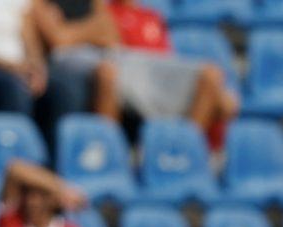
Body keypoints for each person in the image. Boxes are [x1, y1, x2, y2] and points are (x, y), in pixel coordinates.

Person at [31, 0, 234, 130]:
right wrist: (91, 30)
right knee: (108, 73)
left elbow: (110, 36)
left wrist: (72, 32)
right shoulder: (41, 4)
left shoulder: (95, 4)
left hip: (111, 56)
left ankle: (183, 149)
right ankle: (107, 148)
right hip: (74, 61)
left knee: (212, 78)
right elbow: (59, 41)